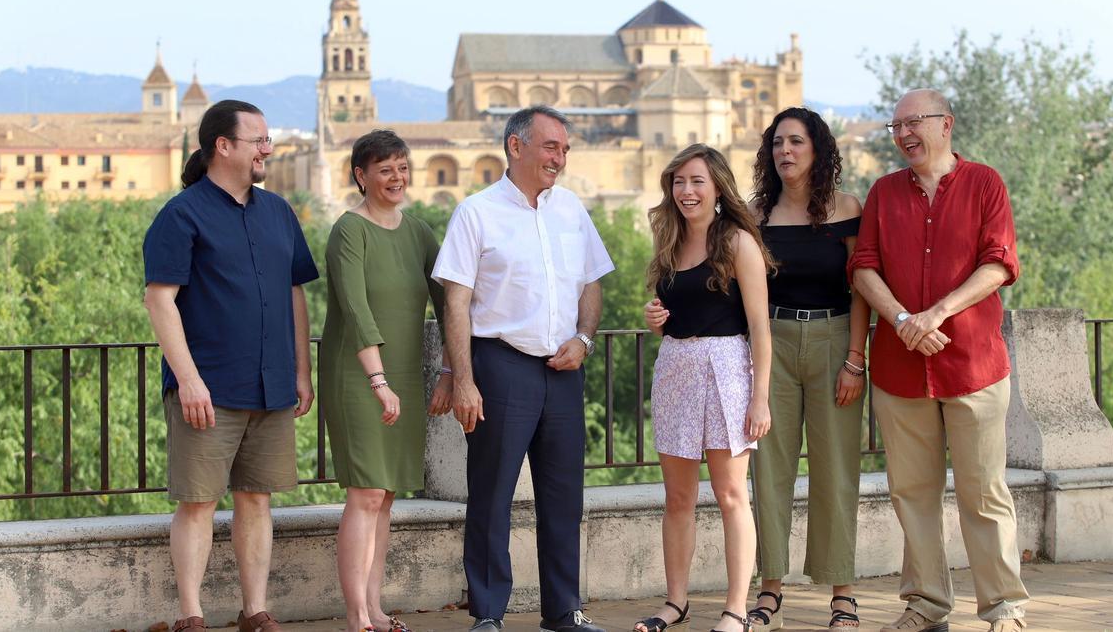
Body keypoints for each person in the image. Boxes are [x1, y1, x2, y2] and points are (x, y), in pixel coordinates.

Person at [847, 89, 1029, 632]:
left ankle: (1004, 609)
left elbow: (999, 264)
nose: (903, 134)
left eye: (913, 123)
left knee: (983, 492)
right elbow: (862, 269)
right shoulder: (882, 192)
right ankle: (926, 606)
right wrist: (905, 321)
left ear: (945, 124)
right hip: (901, 370)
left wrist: (937, 314)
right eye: (895, 126)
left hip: (972, 365)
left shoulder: (984, 183)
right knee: (912, 494)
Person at [431, 105, 615, 632]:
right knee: (491, 495)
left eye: (564, 149)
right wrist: (462, 379)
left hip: (564, 369)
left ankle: (564, 611)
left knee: (564, 496)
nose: (560, 157)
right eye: (551, 147)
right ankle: (488, 614)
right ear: (516, 147)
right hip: (500, 366)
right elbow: (457, 302)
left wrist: (585, 338)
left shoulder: (572, 208)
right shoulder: (476, 212)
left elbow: (592, 281)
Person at [142, 99, 319, 632]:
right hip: (208, 389)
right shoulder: (181, 213)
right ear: (224, 146)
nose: (269, 148)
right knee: (198, 503)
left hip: (271, 387)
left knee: (257, 500)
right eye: (259, 140)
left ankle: (254, 610)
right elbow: (159, 300)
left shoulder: (279, 212)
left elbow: (294, 294)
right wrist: (189, 379)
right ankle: (191, 617)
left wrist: (302, 373)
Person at [320, 129, 452, 632]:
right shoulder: (348, 231)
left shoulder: (419, 232)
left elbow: (448, 303)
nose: (397, 177)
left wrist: (449, 370)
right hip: (358, 374)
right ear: (361, 175)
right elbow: (355, 310)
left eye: (402, 167)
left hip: (404, 376)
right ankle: (357, 616)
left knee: (387, 494)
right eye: (385, 169)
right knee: (366, 492)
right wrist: (378, 381)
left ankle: (375, 606)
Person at [640, 143, 773, 632]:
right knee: (677, 499)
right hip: (676, 367)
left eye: (697, 181)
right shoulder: (670, 244)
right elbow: (673, 316)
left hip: (728, 370)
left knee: (731, 495)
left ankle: (736, 610)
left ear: (718, 186)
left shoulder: (738, 241)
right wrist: (656, 320)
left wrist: (759, 397)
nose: (687, 191)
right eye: (679, 182)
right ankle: (675, 603)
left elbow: (759, 327)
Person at [746, 107, 869, 631]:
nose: (785, 151)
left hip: (834, 339)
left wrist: (855, 360)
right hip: (771, 344)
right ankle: (769, 589)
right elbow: (733, 287)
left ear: (818, 150)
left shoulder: (846, 208)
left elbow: (862, 285)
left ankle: (842, 594)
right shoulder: (754, 214)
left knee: (836, 470)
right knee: (768, 470)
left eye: (796, 142)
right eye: (777, 143)